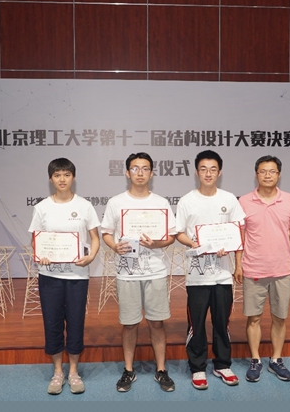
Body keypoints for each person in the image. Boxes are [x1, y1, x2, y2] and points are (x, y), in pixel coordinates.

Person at [101, 152, 177, 393]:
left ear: (152, 173)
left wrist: (156, 244)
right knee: (129, 324)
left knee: (157, 322)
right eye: (135, 168)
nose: (140, 173)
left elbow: (171, 236)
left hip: (155, 271)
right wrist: (115, 246)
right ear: (127, 173)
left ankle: (161, 369)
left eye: (145, 168)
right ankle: (128, 369)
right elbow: (106, 232)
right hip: (127, 273)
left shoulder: (161, 203)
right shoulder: (116, 202)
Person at [28, 158, 101, 395]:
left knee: (76, 322)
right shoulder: (42, 207)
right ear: (50, 179)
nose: (62, 179)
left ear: (73, 177)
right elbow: (36, 240)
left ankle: (74, 372)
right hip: (49, 276)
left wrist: (91, 257)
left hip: (77, 276)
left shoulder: (85, 206)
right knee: (52, 323)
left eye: (66, 175)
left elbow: (95, 238)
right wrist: (40, 255)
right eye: (57, 175)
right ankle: (58, 372)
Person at [175, 150, 246, 390]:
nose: (208, 173)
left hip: (223, 274)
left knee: (222, 322)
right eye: (203, 169)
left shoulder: (229, 199)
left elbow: (238, 231)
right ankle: (197, 367)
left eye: (213, 169)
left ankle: (222, 364)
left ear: (220, 172)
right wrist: (194, 243)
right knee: (196, 323)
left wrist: (238, 263)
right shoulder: (187, 200)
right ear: (196, 172)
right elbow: (179, 232)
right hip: (197, 276)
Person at [234, 155, 290, 383]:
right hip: (254, 268)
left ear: (279, 175)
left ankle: (276, 359)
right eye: (263, 171)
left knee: (279, 317)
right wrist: (238, 265)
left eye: (272, 171)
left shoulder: (289, 200)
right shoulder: (244, 201)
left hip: (282, 269)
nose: (267, 175)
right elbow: (240, 235)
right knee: (253, 318)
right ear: (256, 174)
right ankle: (255, 359)